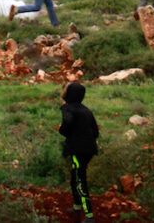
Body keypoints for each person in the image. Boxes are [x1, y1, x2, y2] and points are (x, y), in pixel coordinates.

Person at [59, 82, 99, 223]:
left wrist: (62, 130)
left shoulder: (68, 108)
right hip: (89, 149)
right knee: (74, 178)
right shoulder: (86, 110)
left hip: (77, 150)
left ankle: (89, 215)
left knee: (79, 180)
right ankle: (77, 208)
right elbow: (95, 132)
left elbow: (67, 124)